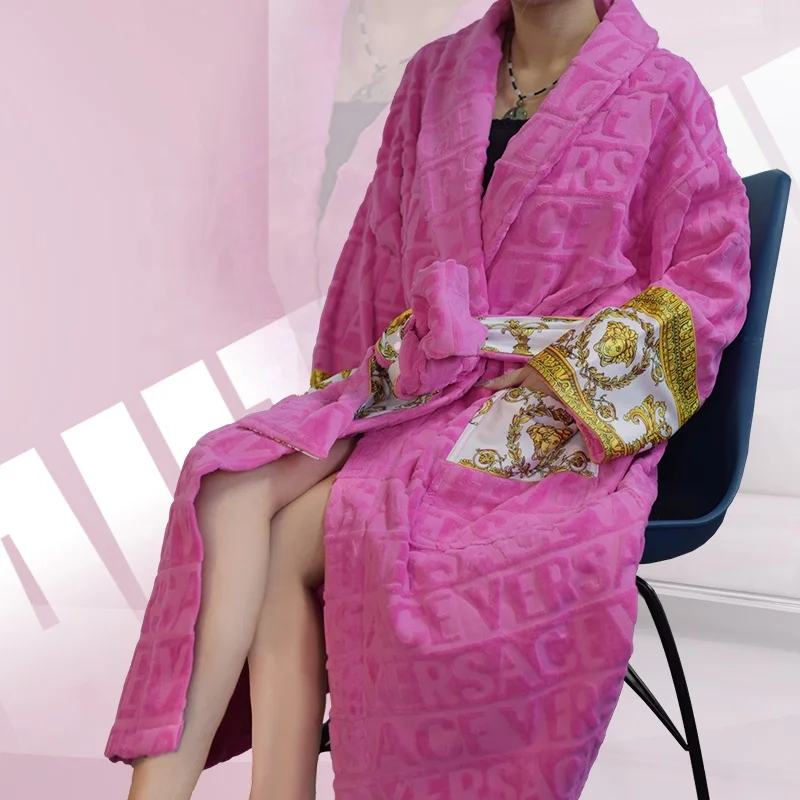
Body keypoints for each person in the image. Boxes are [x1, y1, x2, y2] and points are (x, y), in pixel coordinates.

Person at [107, 0, 751, 798]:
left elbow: (710, 280)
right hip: (419, 378)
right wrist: (346, 396)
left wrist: (575, 370)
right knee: (224, 481)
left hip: (547, 408)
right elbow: (377, 257)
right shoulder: (434, 76)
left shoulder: (664, 90)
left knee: (294, 542)